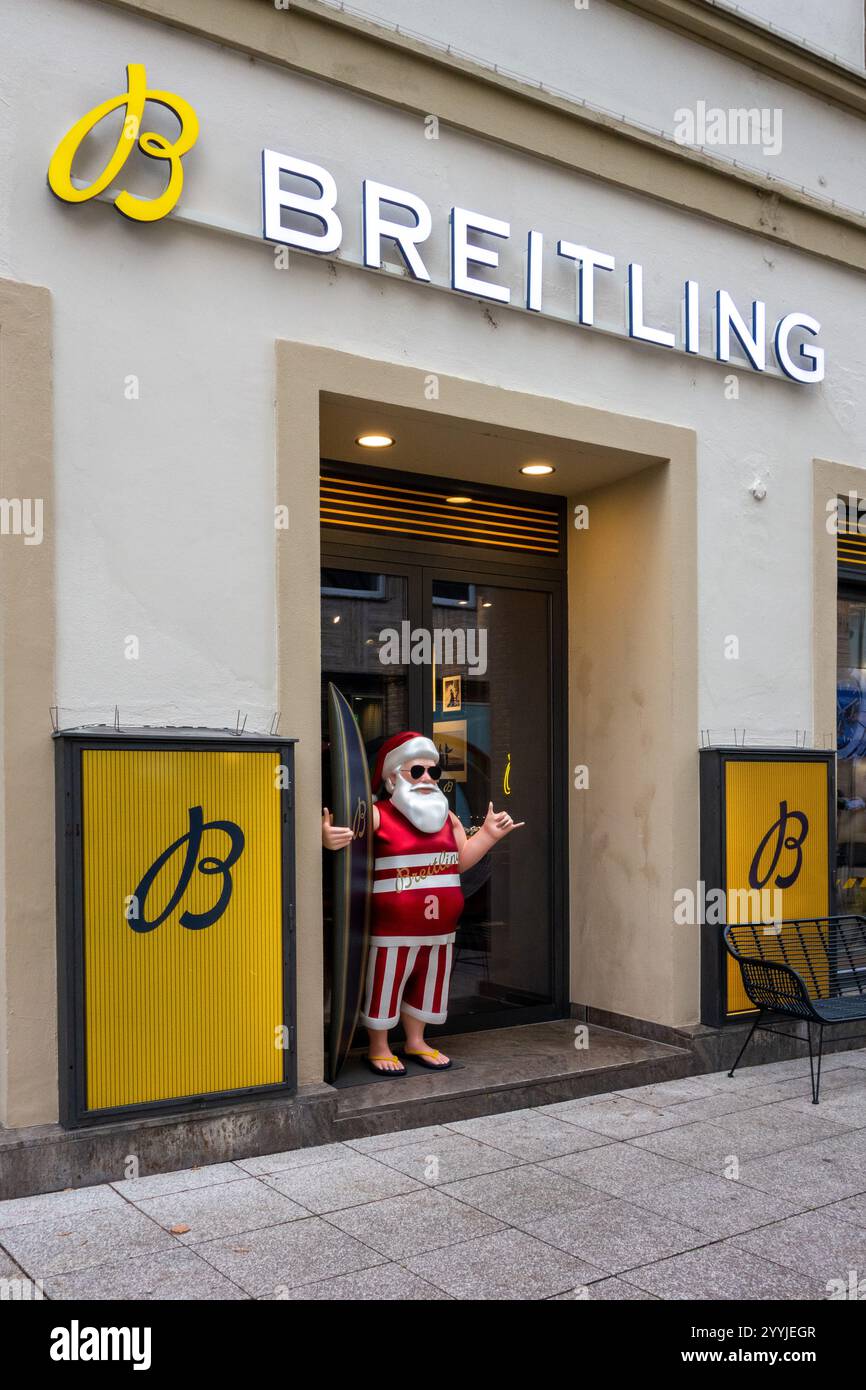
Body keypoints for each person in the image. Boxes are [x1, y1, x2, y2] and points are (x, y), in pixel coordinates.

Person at [322, 730, 523, 1074]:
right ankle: (379, 1046)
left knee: (428, 985)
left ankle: (416, 1041)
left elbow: (460, 860)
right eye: (417, 771)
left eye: (433, 771)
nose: (427, 778)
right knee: (385, 983)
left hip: (441, 930)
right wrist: (327, 838)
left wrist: (488, 835)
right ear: (391, 777)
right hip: (391, 931)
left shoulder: (447, 817)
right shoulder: (376, 814)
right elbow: (347, 843)